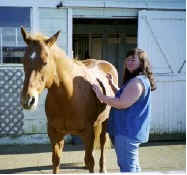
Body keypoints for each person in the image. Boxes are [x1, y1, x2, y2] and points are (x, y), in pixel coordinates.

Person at [92, 48, 156, 172]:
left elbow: (122, 103)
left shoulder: (137, 82)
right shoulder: (139, 79)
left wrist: (101, 96)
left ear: (142, 62)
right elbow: (126, 96)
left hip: (127, 132)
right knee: (133, 166)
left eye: (133, 59)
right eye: (127, 60)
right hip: (130, 131)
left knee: (127, 168)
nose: (129, 62)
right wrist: (112, 85)